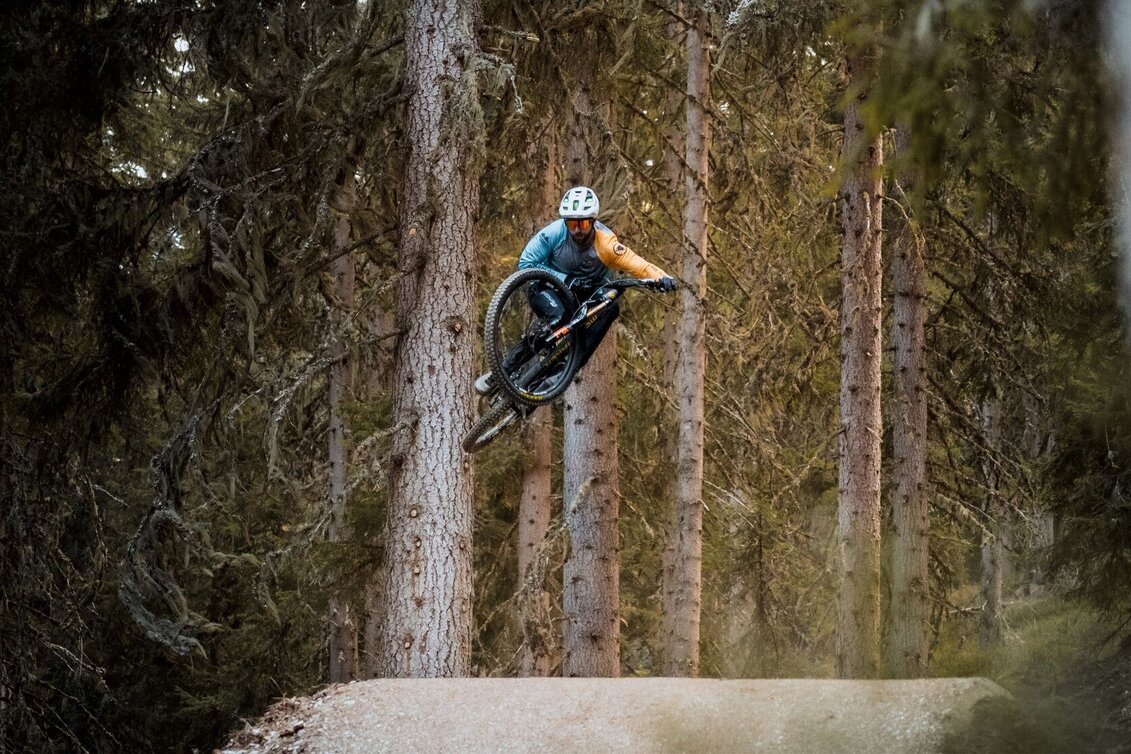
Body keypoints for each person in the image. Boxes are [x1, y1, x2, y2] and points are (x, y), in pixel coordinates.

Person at [475, 186, 677, 395]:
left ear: (593, 221)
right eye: (572, 223)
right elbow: (526, 263)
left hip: (587, 292)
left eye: (583, 223)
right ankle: (501, 372)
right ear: (565, 222)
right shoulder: (553, 234)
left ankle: (562, 372)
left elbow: (637, 264)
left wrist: (661, 278)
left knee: (610, 309)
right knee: (558, 316)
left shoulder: (606, 243)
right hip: (547, 286)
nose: (577, 229)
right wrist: (566, 279)